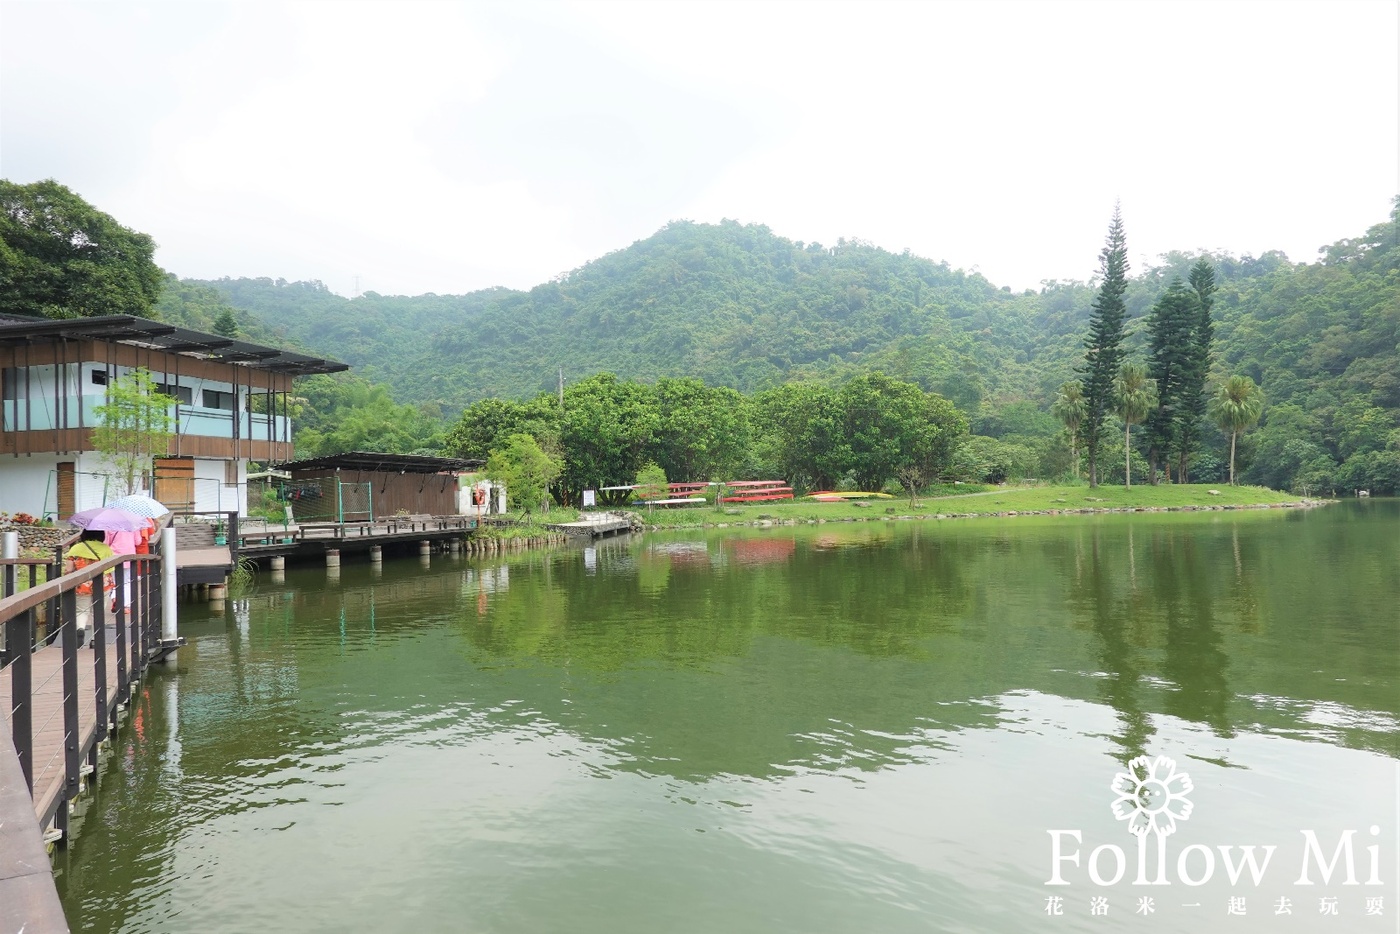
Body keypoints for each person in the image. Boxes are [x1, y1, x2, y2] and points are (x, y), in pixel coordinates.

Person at [66, 530, 114, 643]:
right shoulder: (106, 549)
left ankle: (80, 629)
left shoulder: (76, 548)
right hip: (102, 583)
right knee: (98, 611)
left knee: (81, 610)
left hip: (82, 583)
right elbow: (110, 569)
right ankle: (95, 639)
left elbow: (69, 569)